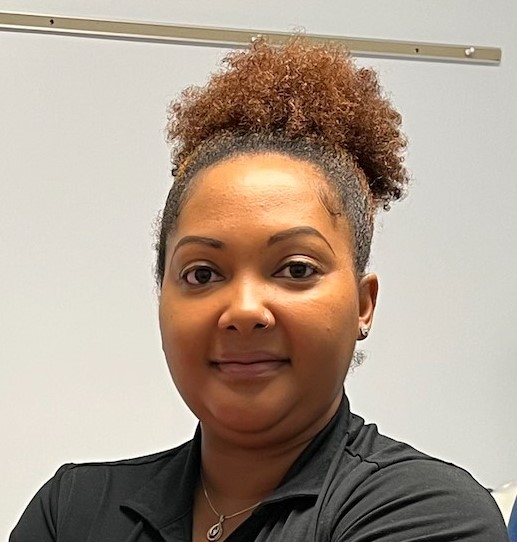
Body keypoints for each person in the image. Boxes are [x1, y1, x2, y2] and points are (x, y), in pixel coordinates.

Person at [10, 37, 508, 542]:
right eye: (202, 274)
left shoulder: (428, 512)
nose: (244, 311)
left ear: (363, 304)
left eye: (295, 269)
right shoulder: (72, 510)